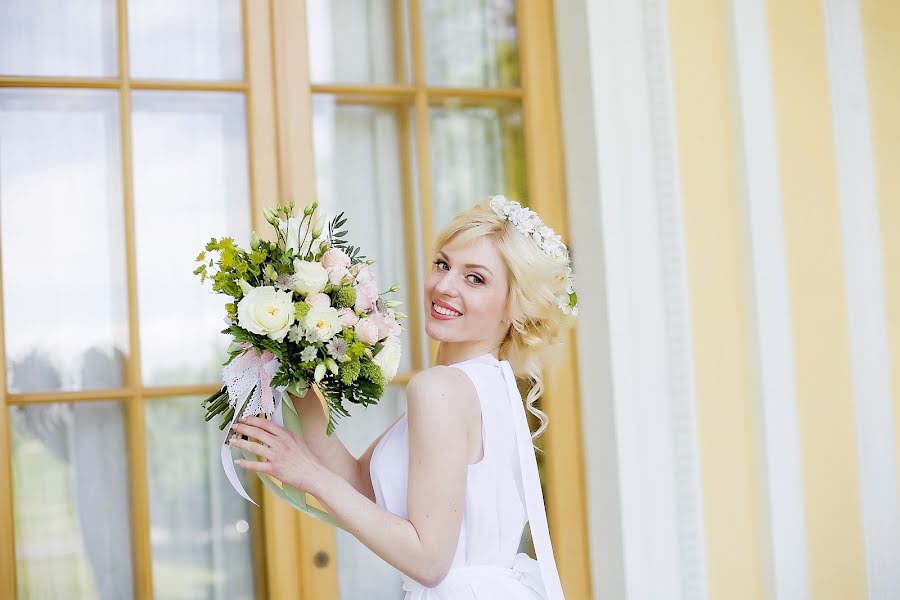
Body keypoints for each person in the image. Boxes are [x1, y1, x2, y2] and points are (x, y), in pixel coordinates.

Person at [230, 195, 578, 599]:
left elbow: (428, 561)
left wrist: (308, 476)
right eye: (443, 264)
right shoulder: (487, 384)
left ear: (514, 308)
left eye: (475, 278)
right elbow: (364, 486)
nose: (444, 286)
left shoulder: (441, 390)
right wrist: (296, 364)